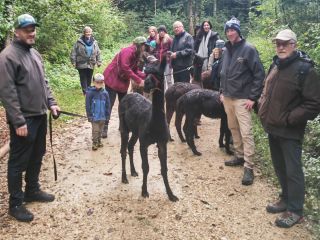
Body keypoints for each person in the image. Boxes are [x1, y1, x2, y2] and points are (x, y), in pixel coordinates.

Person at [0, 14, 60, 222]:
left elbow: (44, 82)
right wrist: (18, 121)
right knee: (18, 162)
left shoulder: (35, 53)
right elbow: (7, 93)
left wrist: (51, 102)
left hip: (40, 114)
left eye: (33, 28)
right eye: (27, 29)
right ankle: (15, 204)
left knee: (37, 154)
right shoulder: (8, 56)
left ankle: (32, 190)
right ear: (17, 32)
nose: (31, 32)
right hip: (24, 119)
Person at [258, 29, 320, 228]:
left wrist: (289, 118)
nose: (281, 47)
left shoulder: (305, 69)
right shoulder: (276, 65)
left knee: (293, 171)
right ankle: (285, 199)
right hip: (272, 127)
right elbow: (267, 92)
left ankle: (295, 210)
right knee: (279, 166)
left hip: (290, 130)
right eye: (278, 43)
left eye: (285, 43)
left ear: (294, 44)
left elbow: (314, 103)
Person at [219, 17, 265, 185]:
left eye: (233, 30)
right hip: (228, 97)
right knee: (233, 127)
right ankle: (238, 155)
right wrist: (221, 91)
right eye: (228, 30)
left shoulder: (248, 49)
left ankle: (249, 166)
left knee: (246, 132)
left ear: (238, 31)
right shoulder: (226, 49)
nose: (230, 33)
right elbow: (223, 72)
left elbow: (259, 74)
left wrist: (253, 97)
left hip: (243, 98)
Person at [101, 36, 146, 138]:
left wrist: (146, 75)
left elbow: (134, 70)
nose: (145, 48)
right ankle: (105, 127)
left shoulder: (136, 54)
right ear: (139, 45)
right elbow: (125, 67)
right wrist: (138, 80)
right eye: (144, 45)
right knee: (109, 104)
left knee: (123, 105)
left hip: (122, 82)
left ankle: (123, 126)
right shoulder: (128, 51)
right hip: (113, 79)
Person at [70, 26, 102, 94]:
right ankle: (85, 91)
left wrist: (99, 61)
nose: (88, 34)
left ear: (91, 33)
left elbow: (98, 52)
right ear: (84, 33)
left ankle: (89, 89)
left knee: (89, 77)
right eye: (87, 33)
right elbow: (74, 52)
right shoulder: (79, 42)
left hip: (91, 63)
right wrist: (73, 61)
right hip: (81, 63)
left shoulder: (94, 42)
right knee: (83, 77)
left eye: (90, 33)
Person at [85, 73, 111, 150]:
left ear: (103, 82)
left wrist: (107, 116)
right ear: (93, 82)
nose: (99, 84)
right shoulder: (90, 93)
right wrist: (89, 116)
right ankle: (95, 142)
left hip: (103, 116)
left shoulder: (105, 93)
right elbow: (87, 105)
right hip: (94, 117)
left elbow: (108, 105)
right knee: (95, 130)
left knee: (101, 130)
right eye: (97, 82)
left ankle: (99, 141)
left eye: (101, 82)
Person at [155, 25, 173, 91]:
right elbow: (156, 50)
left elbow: (172, 50)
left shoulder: (169, 40)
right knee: (161, 79)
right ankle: (163, 93)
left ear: (165, 32)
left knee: (168, 79)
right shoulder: (157, 40)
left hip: (167, 61)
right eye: (160, 31)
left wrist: (169, 58)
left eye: (163, 31)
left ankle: (171, 92)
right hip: (159, 62)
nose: (161, 32)